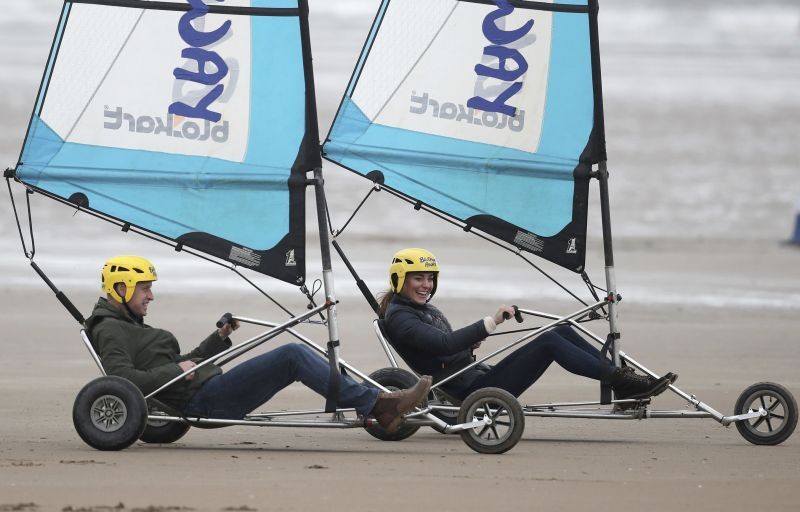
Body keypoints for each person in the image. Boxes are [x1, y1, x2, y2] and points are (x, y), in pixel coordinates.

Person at [86, 255, 431, 433]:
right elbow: (122, 381)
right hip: (205, 402)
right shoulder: (111, 329)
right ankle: (378, 405)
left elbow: (186, 364)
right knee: (292, 355)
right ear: (121, 288)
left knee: (293, 348)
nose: (151, 295)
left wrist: (217, 340)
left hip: (206, 388)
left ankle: (377, 402)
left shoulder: (131, 325)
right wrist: (176, 369)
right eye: (144, 288)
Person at [378, 248, 676, 404]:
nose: (426, 285)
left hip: (479, 376)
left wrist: (468, 344)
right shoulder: (401, 317)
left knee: (559, 330)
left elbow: (439, 350)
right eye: (418, 278)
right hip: (474, 391)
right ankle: (622, 383)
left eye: (430, 279)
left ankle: (620, 379)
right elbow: (443, 345)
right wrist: (491, 322)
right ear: (399, 279)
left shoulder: (418, 309)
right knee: (549, 343)